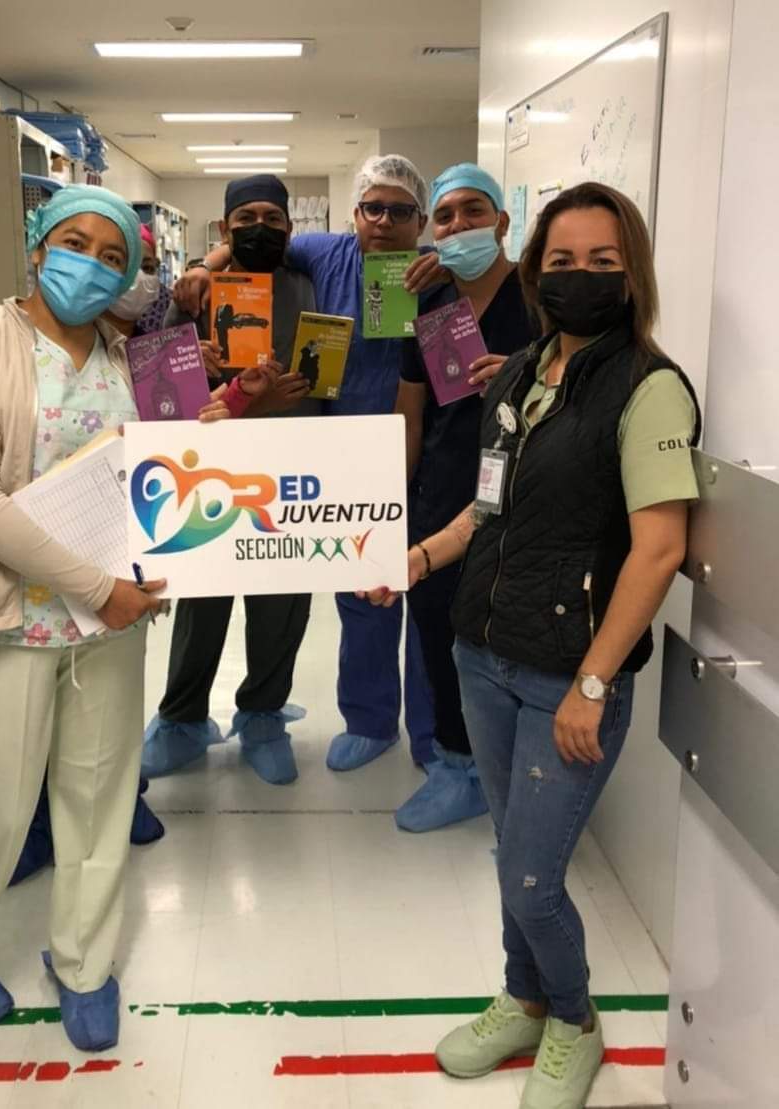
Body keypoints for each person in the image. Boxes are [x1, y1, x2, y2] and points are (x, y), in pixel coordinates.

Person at [362, 181, 700, 1109]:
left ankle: (575, 1020)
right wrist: (418, 559)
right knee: (512, 847)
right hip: (484, 654)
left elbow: (659, 548)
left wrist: (593, 682)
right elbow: (486, 508)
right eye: (562, 261)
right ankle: (523, 996)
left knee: (530, 874)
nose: (579, 276)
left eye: (602, 261)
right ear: (537, 270)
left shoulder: (650, 388)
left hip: (568, 675)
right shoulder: (517, 373)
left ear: (632, 274)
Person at [0, 184, 168, 1053]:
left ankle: (85, 965)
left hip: (111, 625)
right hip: (14, 621)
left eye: (113, 257)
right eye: (75, 243)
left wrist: (222, 421)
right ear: (37, 246)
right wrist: (95, 587)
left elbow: (162, 473)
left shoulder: (130, 357)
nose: (90, 266)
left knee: (98, 800)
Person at [176, 154, 437, 773]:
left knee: (427, 597)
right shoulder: (326, 254)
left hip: (422, 448)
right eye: (373, 208)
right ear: (355, 214)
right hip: (337, 455)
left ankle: (436, 739)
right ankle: (371, 721)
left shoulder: (435, 275)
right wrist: (202, 265)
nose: (384, 221)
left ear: (420, 221)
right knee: (362, 591)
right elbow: (254, 241)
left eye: (400, 211)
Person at [142, 174, 318, 786]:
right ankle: (182, 719)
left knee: (282, 603)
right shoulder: (194, 295)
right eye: (245, 219)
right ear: (224, 228)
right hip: (207, 472)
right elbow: (162, 389)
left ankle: (263, 717)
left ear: (290, 229)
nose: (259, 229)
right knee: (202, 601)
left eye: (273, 218)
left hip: (289, 468)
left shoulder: (309, 285)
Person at [394, 164, 538, 834]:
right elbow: (411, 416)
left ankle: (510, 773)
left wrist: (520, 378)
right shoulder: (430, 308)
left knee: (506, 633)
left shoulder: (539, 300)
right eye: (445, 216)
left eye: (473, 211)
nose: (459, 226)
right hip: (443, 488)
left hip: (525, 495)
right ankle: (458, 765)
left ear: (502, 222)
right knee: (436, 625)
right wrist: (396, 503)